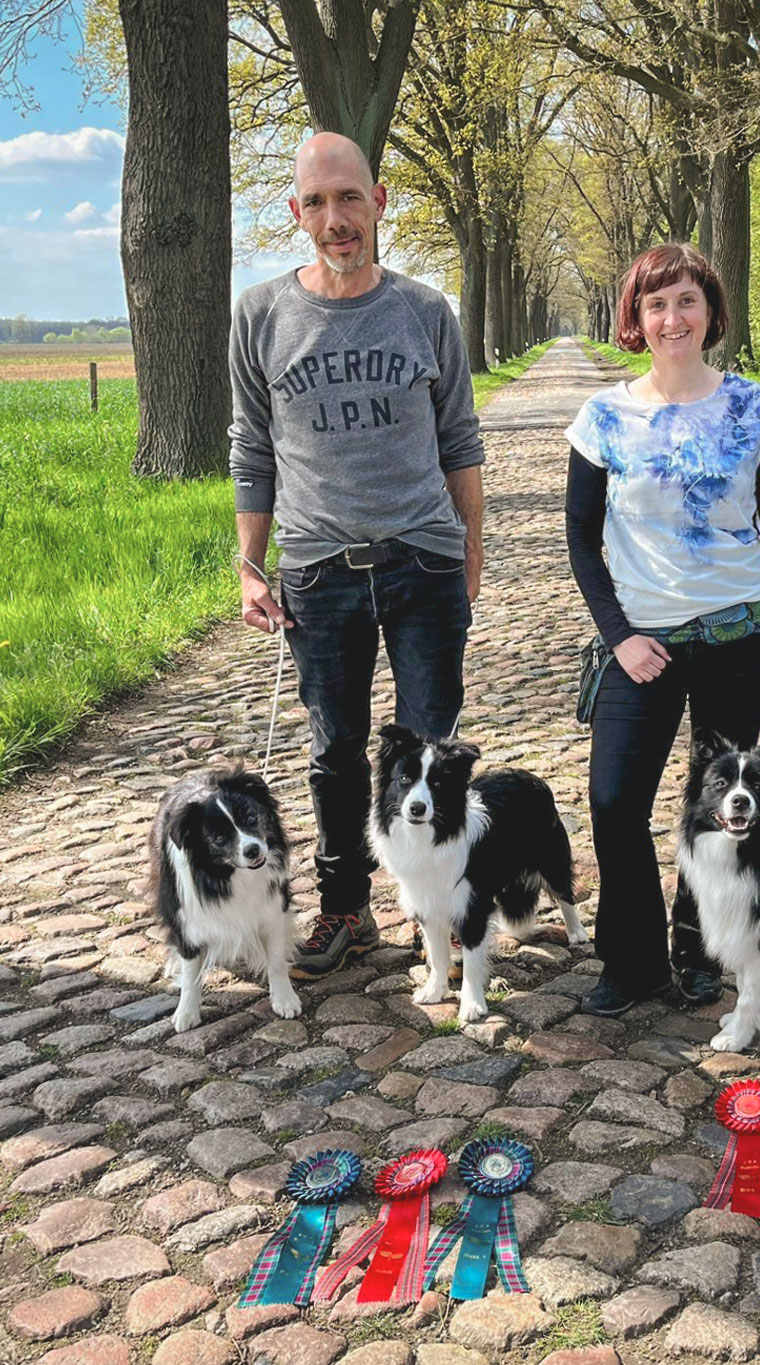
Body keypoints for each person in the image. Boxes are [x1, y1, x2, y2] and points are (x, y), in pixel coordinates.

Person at [229, 131, 486, 979]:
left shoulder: (425, 313)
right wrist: (249, 563)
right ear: (296, 213)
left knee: (429, 744)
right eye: (316, 202)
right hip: (316, 570)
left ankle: (433, 907)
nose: (335, 218)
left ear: (379, 203)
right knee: (335, 748)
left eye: (349, 198)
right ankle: (346, 908)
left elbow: (460, 443)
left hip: (422, 562)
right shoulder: (260, 315)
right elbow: (252, 450)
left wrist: (470, 557)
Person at [564, 243, 760, 1018]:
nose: (672, 317)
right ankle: (632, 959)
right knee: (614, 800)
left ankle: (701, 948)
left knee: (725, 809)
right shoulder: (603, 417)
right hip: (643, 642)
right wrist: (618, 636)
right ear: (636, 320)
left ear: (710, 312)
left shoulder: (754, 409)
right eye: (656, 304)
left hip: (739, 635)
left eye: (686, 301)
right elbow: (580, 538)